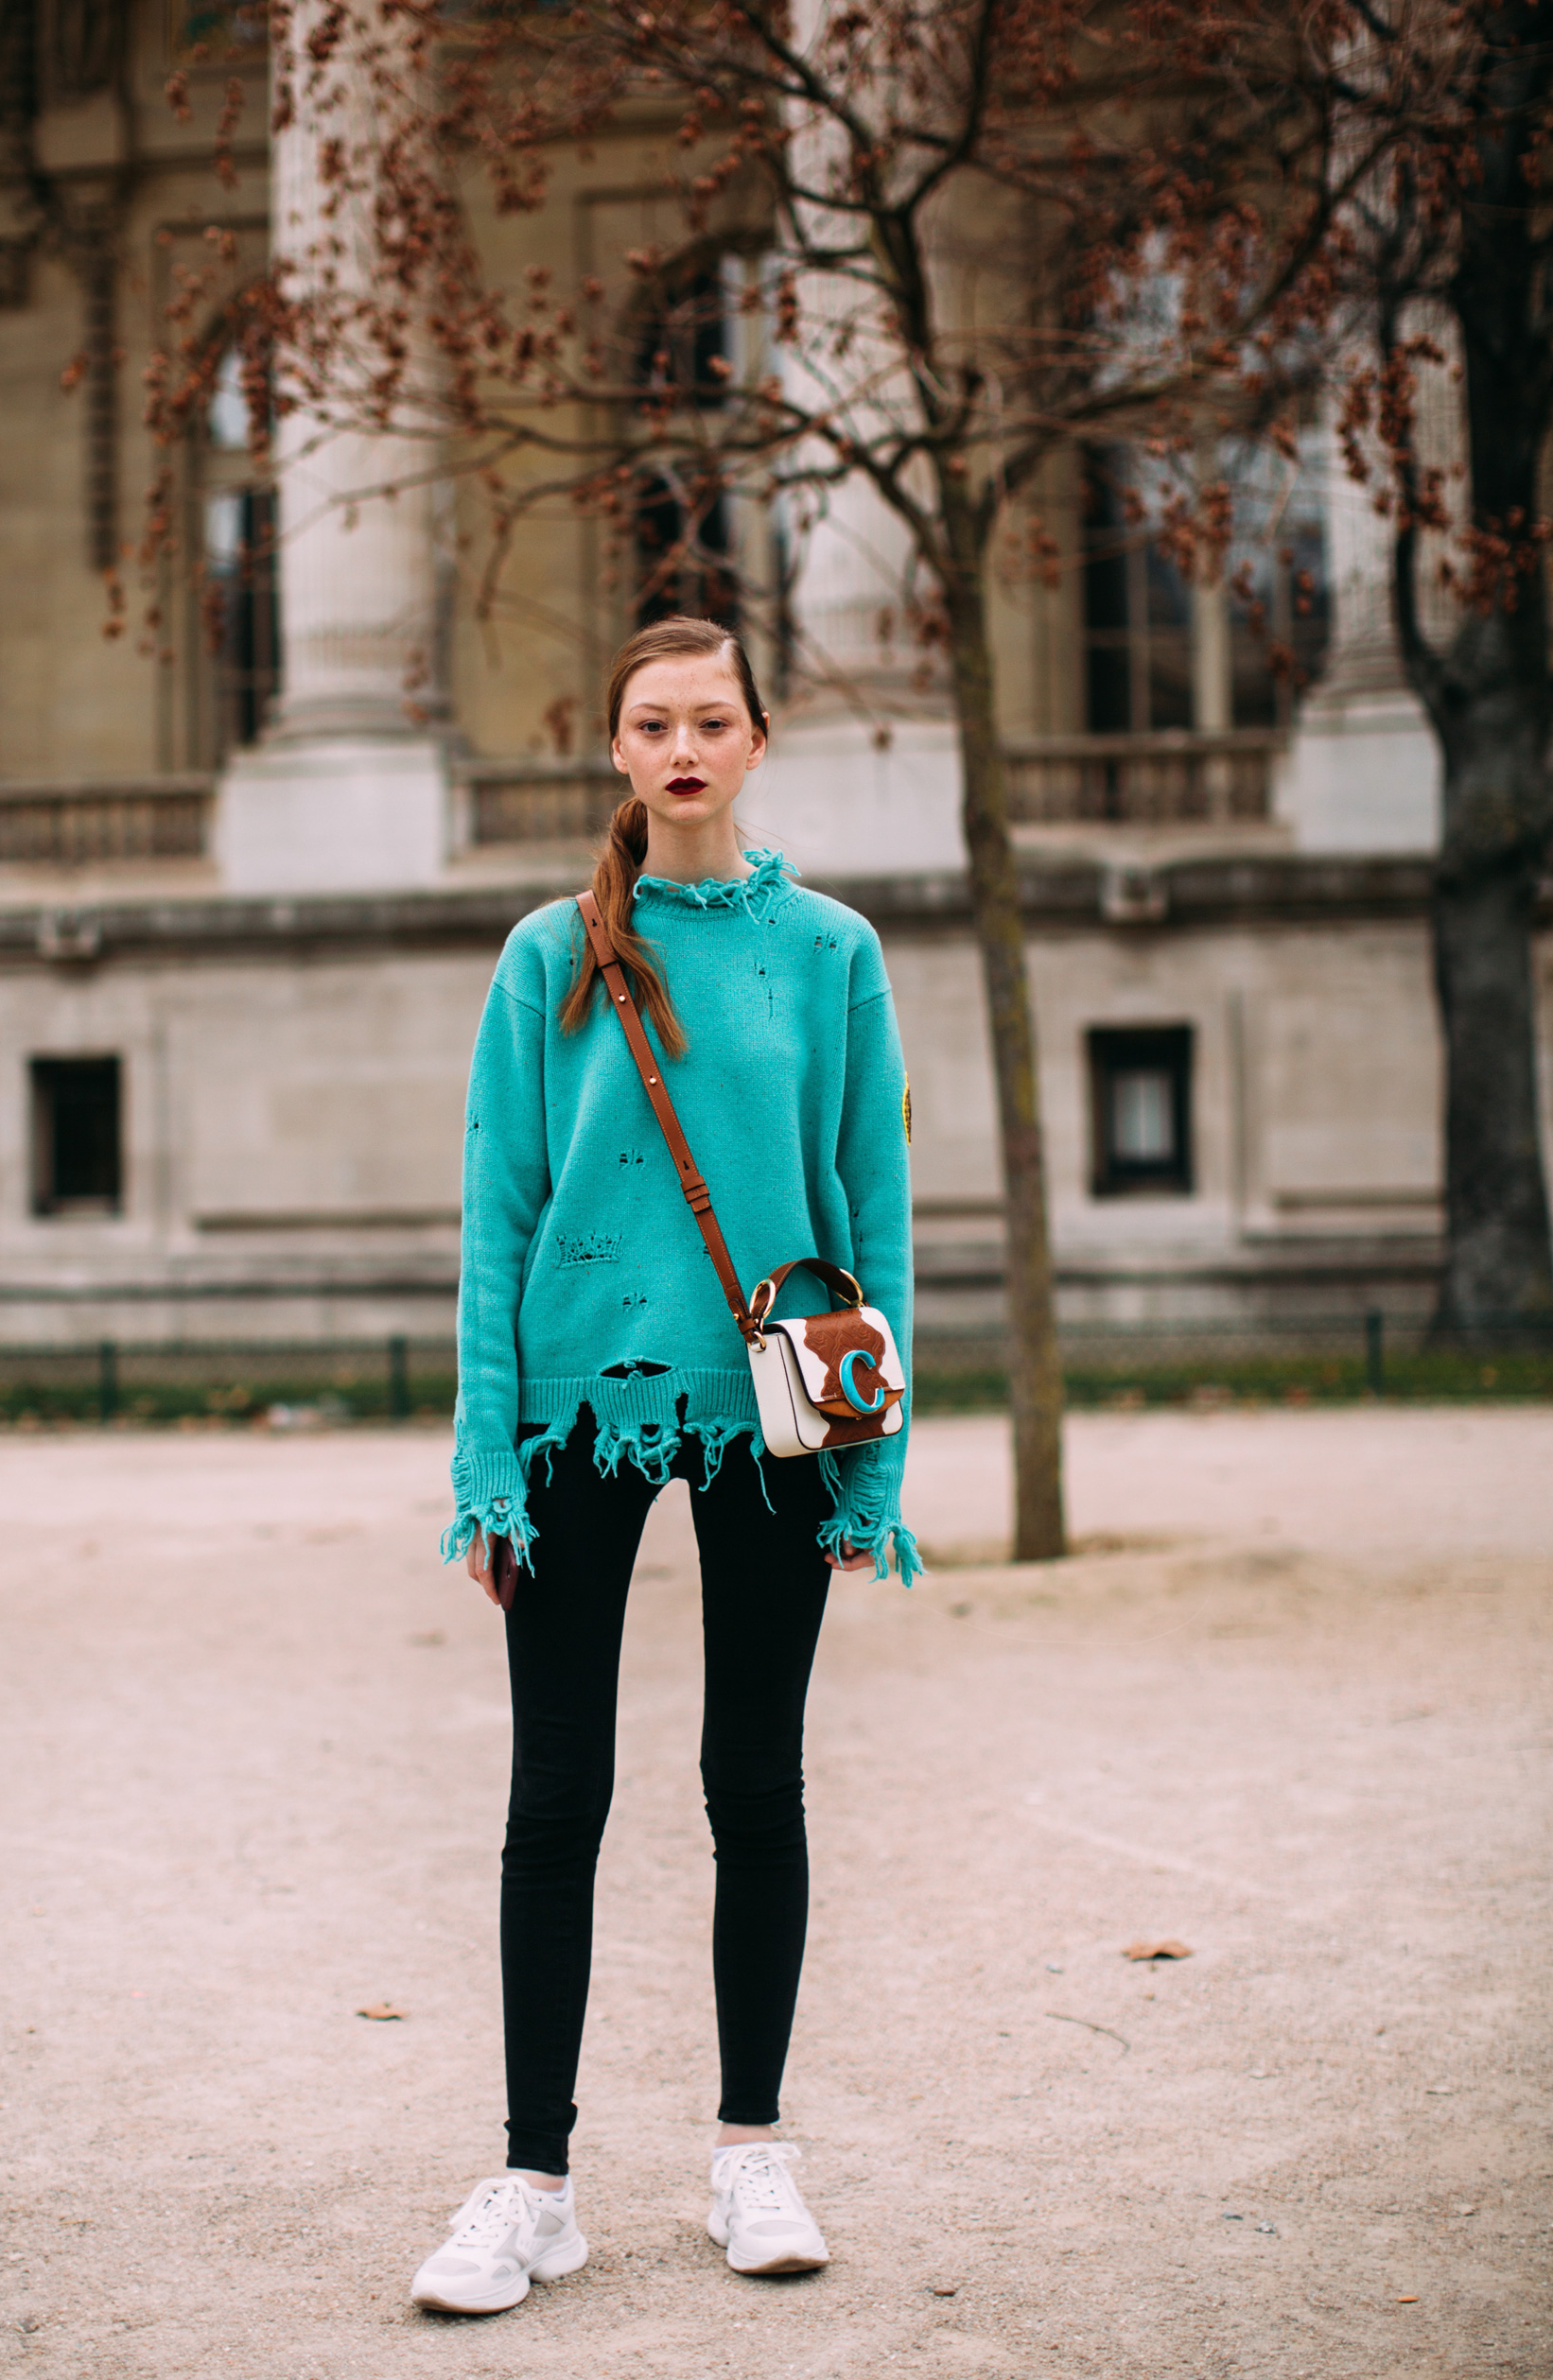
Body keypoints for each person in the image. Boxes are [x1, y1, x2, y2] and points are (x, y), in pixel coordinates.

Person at [410, 615, 916, 2318]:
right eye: (653, 723)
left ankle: (750, 2153)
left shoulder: (832, 950)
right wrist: (487, 1460)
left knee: (751, 1784)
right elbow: (498, 1219)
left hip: (773, 1405)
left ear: (759, 741)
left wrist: (878, 1467)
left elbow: (874, 1216)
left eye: (712, 720)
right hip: (573, 1410)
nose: (683, 747)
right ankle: (532, 2181)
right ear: (618, 751)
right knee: (556, 1798)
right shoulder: (549, 954)